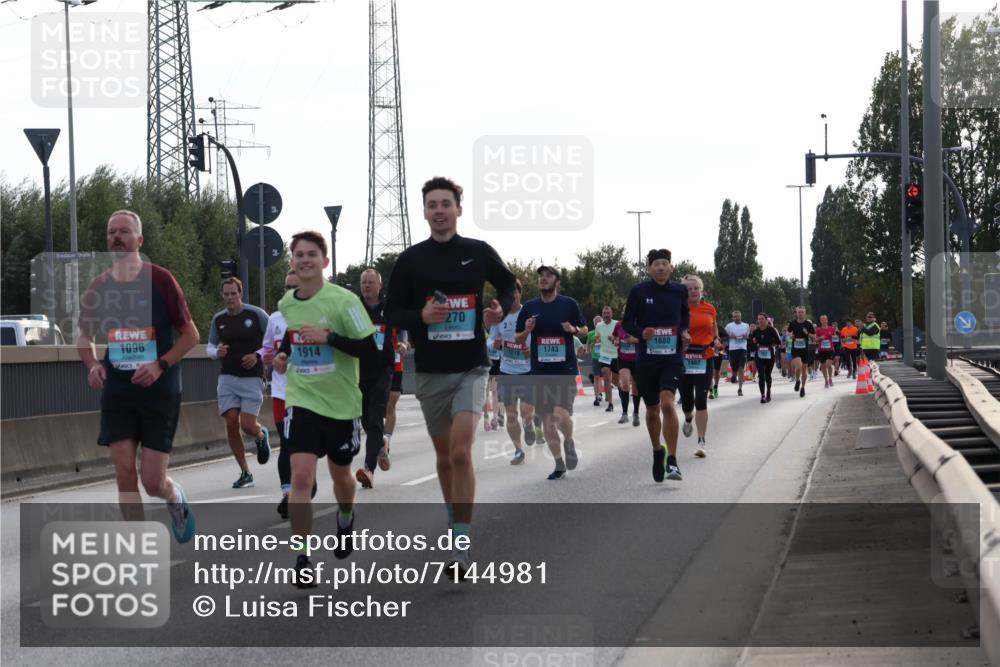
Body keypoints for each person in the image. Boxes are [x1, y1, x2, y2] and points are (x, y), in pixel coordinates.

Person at [384, 176, 516, 579]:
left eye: (446, 203)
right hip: (431, 372)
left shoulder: (476, 252)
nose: (439, 211)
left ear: (459, 209)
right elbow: (391, 313)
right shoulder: (410, 260)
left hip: (472, 368)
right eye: (432, 204)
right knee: (444, 457)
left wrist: (500, 309)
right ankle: (453, 515)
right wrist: (420, 318)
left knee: (461, 452)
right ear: (424, 211)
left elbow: (509, 284)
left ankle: (461, 541)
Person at [77, 209, 198, 543]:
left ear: (139, 240)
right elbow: (84, 338)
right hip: (118, 391)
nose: (116, 237)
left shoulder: (160, 280)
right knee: (124, 474)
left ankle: (175, 498)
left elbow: (191, 335)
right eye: (111, 232)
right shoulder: (98, 287)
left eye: (124, 231)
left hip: (159, 391)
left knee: (152, 482)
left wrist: (160, 364)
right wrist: (93, 366)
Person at [273, 230, 377, 585]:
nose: (304, 260)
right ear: (292, 261)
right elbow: (294, 333)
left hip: (341, 404)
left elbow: (372, 351)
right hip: (301, 399)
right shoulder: (287, 302)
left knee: (341, 477)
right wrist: (285, 354)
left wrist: (330, 338)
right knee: (301, 477)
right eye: (299, 255)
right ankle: (302, 558)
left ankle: (345, 517)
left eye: (311, 255)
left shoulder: (344, 301)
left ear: (324, 261)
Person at [622, 249, 690, 483]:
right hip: (647, 360)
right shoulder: (639, 291)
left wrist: (684, 332)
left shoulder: (679, 291)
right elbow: (627, 323)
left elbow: (684, 317)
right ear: (649, 269)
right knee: (652, 410)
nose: (660, 267)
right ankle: (657, 451)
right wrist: (642, 333)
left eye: (664, 263)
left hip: (672, 359)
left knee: (668, 404)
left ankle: (672, 459)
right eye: (656, 264)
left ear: (671, 268)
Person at [515, 266, 588, 480]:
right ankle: (558, 464)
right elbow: (518, 339)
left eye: (548, 276)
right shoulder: (529, 307)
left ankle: (569, 440)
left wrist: (573, 330)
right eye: (541, 276)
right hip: (540, 372)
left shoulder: (568, 304)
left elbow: (584, 329)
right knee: (547, 421)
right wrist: (527, 330)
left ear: (557, 281)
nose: (543, 279)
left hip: (564, 370)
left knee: (560, 415)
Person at [206, 278, 271, 489]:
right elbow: (209, 347)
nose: (229, 298)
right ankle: (245, 472)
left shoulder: (256, 314)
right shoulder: (219, 319)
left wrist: (258, 355)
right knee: (231, 422)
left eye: (233, 293)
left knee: (248, 425)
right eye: (226, 294)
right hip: (227, 378)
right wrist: (217, 352)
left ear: (240, 294)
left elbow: (274, 341)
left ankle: (260, 435)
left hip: (252, 378)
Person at [262, 270, 316, 519]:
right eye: (286, 287)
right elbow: (265, 350)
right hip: (282, 392)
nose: (289, 292)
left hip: (309, 392)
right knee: (285, 443)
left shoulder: (315, 315)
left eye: (294, 287)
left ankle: (306, 481)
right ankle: (287, 495)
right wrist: (266, 358)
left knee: (305, 445)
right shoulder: (274, 319)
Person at [354, 268, 398, 489]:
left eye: (371, 282)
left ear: (380, 285)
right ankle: (381, 443)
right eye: (364, 282)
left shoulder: (389, 307)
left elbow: (403, 326)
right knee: (365, 419)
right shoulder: (354, 308)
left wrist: (404, 342)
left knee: (375, 416)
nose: (367, 286)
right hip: (359, 369)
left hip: (383, 368)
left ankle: (369, 469)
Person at [488, 279, 536, 464]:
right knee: (510, 414)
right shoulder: (499, 317)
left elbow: (539, 339)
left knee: (525, 412)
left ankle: (529, 424)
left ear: (519, 293)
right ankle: (518, 450)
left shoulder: (530, 314)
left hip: (528, 369)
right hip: (506, 370)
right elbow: (489, 340)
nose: (511, 297)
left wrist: (531, 352)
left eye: (514, 293)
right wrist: (495, 343)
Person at [679, 275, 718, 458]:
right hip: (684, 358)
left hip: (705, 356)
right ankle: (688, 418)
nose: (693, 291)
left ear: (701, 290)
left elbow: (714, 327)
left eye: (696, 288)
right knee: (687, 400)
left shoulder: (709, 308)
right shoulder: (679, 309)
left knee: (701, 399)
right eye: (689, 289)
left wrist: (716, 340)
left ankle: (701, 441)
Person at [383, 328, 410, 459]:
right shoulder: (367, 311)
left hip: (395, 364)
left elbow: (403, 330)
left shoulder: (394, 310)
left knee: (390, 405)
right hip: (376, 364)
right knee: (375, 407)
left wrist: (404, 343)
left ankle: (386, 441)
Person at [612, 308, 641, 426]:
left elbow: (645, 339)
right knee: (624, 384)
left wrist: (633, 340)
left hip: (637, 360)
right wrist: (615, 341)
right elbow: (614, 337)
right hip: (623, 359)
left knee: (636, 389)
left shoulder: (639, 324)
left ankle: (636, 413)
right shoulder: (619, 325)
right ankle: (624, 414)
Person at [593, 305, 620, 413]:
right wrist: (596, 340)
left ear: (611, 314)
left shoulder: (617, 324)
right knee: (606, 377)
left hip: (616, 355)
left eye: (608, 313)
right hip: (604, 355)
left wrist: (614, 339)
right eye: (604, 313)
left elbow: (621, 338)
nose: (606, 315)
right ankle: (610, 403)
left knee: (617, 381)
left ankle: (623, 391)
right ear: (602, 314)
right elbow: (596, 338)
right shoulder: (599, 325)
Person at [787, 306, 816, 398]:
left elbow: (814, 337)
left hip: (805, 349)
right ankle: (797, 380)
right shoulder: (793, 323)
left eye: (802, 312)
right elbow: (788, 333)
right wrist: (790, 336)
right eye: (799, 312)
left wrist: (807, 333)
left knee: (804, 369)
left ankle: (803, 387)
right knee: (798, 366)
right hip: (795, 349)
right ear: (796, 313)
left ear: (805, 313)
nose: (800, 314)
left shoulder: (808, 324)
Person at [751, 313, 781, 402]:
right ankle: (762, 395)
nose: (760, 320)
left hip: (769, 354)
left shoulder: (771, 330)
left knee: (767, 374)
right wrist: (754, 341)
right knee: (761, 375)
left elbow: (778, 341)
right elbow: (751, 343)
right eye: (758, 319)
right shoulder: (756, 331)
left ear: (766, 319)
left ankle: (768, 391)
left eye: (762, 319)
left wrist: (771, 344)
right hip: (759, 355)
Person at [724, 311, 750, 396]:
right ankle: (734, 375)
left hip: (742, 349)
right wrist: (729, 337)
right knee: (734, 367)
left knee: (741, 369)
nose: (736, 318)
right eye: (735, 317)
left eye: (738, 316)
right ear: (732, 317)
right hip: (733, 349)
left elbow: (748, 336)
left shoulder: (746, 325)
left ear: (741, 317)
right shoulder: (729, 326)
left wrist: (746, 337)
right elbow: (723, 335)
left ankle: (740, 389)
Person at [815, 315, 837, 388]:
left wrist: (832, 336)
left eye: (825, 320)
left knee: (828, 364)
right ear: (820, 321)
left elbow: (835, 336)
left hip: (830, 349)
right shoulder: (818, 329)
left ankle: (830, 378)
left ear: (827, 320)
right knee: (823, 366)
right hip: (821, 350)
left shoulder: (831, 328)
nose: (824, 321)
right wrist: (820, 338)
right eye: (822, 320)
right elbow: (816, 339)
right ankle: (826, 380)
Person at [585, 316, 603, 406]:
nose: (598, 324)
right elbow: (587, 345)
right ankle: (597, 397)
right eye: (596, 322)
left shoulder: (606, 332)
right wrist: (588, 349)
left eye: (599, 322)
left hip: (606, 357)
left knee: (607, 377)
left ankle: (606, 393)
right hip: (596, 357)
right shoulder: (590, 333)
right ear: (594, 324)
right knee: (596, 377)